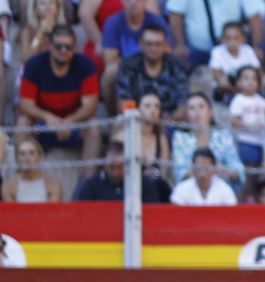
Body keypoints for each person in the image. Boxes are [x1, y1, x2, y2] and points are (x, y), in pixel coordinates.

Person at [17, 24, 101, 160]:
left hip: (74, 123)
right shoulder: (34, 65)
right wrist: (48, 117)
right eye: (58, 46)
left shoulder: (86, 65)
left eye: (68, 47)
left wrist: (69, 121)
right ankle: (22, 176)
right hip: (43, 124)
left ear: (75, 48)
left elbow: (90, 106)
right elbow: (25, 104)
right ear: (49, 45)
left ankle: (88, 179)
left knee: (94, 127)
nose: (63, 51)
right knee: (22, 123)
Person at [167, 0, 265, 74]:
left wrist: (256, 47)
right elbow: (175, 14)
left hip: (231, 49)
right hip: (195, 51)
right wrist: (180, 45)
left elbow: (255, 17)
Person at [172, 92, 246, 187]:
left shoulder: (224, 136)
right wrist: (209, 171)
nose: (197, 112)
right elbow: (180, 173)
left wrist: (227, 171)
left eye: (201, 107)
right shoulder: (180, 138)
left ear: (210, 112)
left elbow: (237, 169)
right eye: (192, 108)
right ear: (187, 115)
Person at [115, 21, 187, 116]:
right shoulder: (129, 65)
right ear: (141, 44)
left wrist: (167, 123)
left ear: (165, 44)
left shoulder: (176, 65)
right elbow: (124, 101)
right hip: (136, 119)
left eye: (158, 44)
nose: (153, 48)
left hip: (170, 121)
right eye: (149, 44)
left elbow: (183, 104)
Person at [73, 136, 170, 201]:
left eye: (120, 167)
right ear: (104, 163)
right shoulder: (91, 185)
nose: (116, 172)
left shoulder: (144, 184)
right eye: (112, 166)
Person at [229, 65, 265, 169]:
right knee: (250, 170)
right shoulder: (238, 100)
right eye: (246, 78)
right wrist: (252, 127)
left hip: (261, 141)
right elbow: (235, 122)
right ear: (238, 82)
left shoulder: (260, 100)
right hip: (246, 142)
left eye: (254, 78)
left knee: (260, 170)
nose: (251, 81)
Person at [209, 19, 264, 102]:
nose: (232, 42)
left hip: (248, 85)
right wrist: (241, 86)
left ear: (243, 39)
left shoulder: (248, 50)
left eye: (236, 38)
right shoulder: (217, 52)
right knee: (222, 82)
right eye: (228, 38)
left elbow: (258, 72)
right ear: (222, 39)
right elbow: (218, 77)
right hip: (228, 90)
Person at [1, 134, 66, 202]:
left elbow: (53, 211)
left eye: (31, 153)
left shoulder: (53, 184)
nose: (27, 157)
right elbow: (11, 211)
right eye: (22, 153)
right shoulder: (8, 186)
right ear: (17, 159)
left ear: (40, 157)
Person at [169, 146, 239, 204]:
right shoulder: (182, 189)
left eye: (206, 168)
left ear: (214, 169)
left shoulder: (224, 189)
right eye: (199, 168)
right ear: (193, 168)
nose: (202, 174)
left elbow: (232, 214)